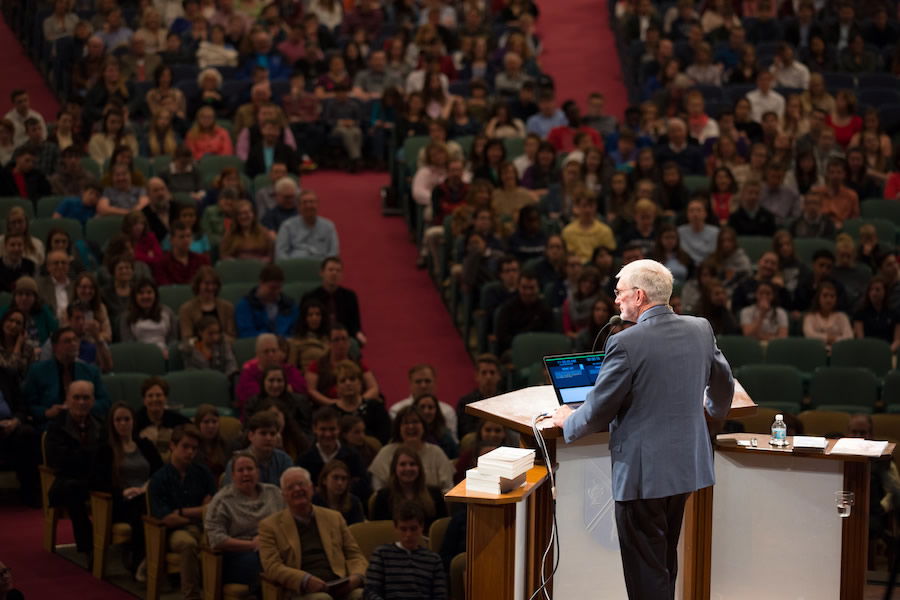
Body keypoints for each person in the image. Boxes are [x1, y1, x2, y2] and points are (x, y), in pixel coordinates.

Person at [552, 259, 733, 600]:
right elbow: (723, 382)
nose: (615, 300)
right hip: (685, 467)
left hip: (643, 474)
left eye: (619, 293)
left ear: (638, 296)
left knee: (645, 572)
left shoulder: (625, 344)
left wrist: (567, 420)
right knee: (663, 560)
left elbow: (598, 412)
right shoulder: (700, 328)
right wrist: (712, 411)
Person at [258, 467, 368, 599]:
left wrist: (356, 576)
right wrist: (305, 580)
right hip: (300, 590)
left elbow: (355, 555)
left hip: (339, 584)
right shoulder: (269, 526)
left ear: (311, 489)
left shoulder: (334, 517)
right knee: (322, 598)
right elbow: (272, 567)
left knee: (362, 595)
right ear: (283, 495)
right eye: (291, 487)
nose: (297, 489)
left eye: (301, 484)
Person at [93, 402, 163, 578]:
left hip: (146, 495)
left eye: (127, 419)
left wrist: (148, 485)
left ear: (133, 421)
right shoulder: (106, 450)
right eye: (118, 420)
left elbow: (161, 473)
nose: (123, 423)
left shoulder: (145, 445)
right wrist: (123, 492)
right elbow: (97, 483)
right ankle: (141, 562)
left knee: (152, 505)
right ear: (112, 423)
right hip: (120, 502)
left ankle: (154, 561)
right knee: (144, 508)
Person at [147, 425, 217, 600]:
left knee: (216, 541)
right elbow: (167, 519)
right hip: (174, 532)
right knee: (188, 543)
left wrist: (181, 512)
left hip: (204, 527)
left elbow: (212, 508)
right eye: (185, 447)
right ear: (172, 446)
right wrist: (197, 514)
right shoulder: (159, 478)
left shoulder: (202, 472)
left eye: (194, 448)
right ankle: (191, 596)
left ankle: (216, 592)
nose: (190, 452)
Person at [204, 451, 284, 591]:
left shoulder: (274, 493)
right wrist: (251, 544)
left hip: (274, 548)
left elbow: (288, 520)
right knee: (264, 566)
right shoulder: (222, 500)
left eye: (250, 469)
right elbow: (216, 539)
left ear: (257, 472)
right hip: (239, 555)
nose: (246, 473)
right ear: (233, 475)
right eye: (241, 470)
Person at [45, 380, 102, 564]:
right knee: (74, 489)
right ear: (68, 400)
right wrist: (89, 456)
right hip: (66, 482)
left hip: (94, 477)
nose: (81, 402)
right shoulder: (57, 425)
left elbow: (106, 455)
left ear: (93, 400)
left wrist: (83, 457)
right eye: (76, 397)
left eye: (86, 398)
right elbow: (59, 460)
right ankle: (88, 546)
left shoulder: (100, 423)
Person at [23, 327, 109, 428]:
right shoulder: (38, 371)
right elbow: (27, 405)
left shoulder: (90, 371)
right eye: (67, 341)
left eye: (75, 340)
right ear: (55, 347)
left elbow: (105, 402)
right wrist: (47, 412)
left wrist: (84, 406)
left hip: (86, 424)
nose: (73, 344)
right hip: (51, 426)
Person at [369, 406, 454, 493]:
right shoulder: (385, 453)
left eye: (415, 422)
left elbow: (448, 488)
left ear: (423, 426)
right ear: (398, 428)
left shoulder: (436, 453)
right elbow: (378, 491)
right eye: (405, 423)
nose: (410, 426)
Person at [297, 407, 370, 501]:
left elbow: (364, 487)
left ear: (339, 429)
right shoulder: (304, 459)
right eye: (323, 429)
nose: (328, 434)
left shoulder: (353, 456)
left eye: (332, 429)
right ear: (314, 429)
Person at [301, 257, 366, 345]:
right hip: (317, 338)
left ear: (342, 275)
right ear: (322, 273)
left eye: (338, 270)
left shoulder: (350, 296)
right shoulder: (310, 297)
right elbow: (302, 324)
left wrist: (358, 334)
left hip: (342, 338)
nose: (334, 273)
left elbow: (355, 325)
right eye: (330, 270)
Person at [235, 334, 307, 412]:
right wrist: (285, 390)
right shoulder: (248, 373)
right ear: (257, 354)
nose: (271, 355)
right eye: (266, 351)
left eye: (274, 351)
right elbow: (251, 399)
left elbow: (302, 389)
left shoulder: (289, 369)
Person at [223, 412, 294, 486]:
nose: (268, 438)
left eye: (272, 434)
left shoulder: (284, 460)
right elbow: (230, 494)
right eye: (263, 433)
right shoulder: (237, 463)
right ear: (251, 436)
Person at [494, 271, 554, 356]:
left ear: (538, 288)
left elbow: (550, 337)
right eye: (524, 288)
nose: (528, 292)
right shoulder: (507, 309)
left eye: (532, 288)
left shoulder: (546, 310)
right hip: (513, 351)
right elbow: (502, 338)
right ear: (518, 287)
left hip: (539, 352)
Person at [332, 360, 390, 445]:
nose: (348, 383)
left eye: (352, 379)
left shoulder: (376, 407)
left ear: (360, 383)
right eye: (343, 380)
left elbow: (385, 438)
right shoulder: (331, 412)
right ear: (336, 387)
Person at [236, 264, 299, 338]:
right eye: (272, 288)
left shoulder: (290, 305)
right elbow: (246, 334)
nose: (277, 292)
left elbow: (296, 331)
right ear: (261, 283)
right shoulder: (245, 305)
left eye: (279, 288)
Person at [276, 189, 340, 260]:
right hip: (296, 266)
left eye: (312, 202)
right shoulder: (287, 226)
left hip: (321, 267)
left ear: (317, 204)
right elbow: (280, 253)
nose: (308, 205)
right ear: (298, 207)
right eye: (304, 202)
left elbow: (334, 252)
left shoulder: (328, 226)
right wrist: (290, 267)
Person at [135, 376, 190, 457]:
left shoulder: (178, 420)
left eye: (158, 395)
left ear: (166, 398)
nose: (154, 399)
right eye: (150, 396)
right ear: (144, 400)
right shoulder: (134, 421)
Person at [119, 279, 177, 355]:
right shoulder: (126, 316)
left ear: (155, 294)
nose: (145, 296)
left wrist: (169, 351)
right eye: (141, 293)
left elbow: (173, 339)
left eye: (149, 292)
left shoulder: (167, 312)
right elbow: (128, 342)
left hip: (165, 354)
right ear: (135, 296)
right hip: (138, 355)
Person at [178, 266, 236, 341]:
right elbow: (187, 338)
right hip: (197, 349)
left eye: (214, 284)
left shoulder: (228, 307)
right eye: (207, 283)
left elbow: (232, 336)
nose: (211, 287)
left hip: (223, 347)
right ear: (198, 285)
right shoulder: (186, 309)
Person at [802, 281, 853, 352]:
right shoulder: (810, 317)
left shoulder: (842, 317)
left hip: (839, 352)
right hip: (816, 352)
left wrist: (831, 339)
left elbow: (849, 337)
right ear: (818, 297)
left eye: (832, 296)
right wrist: (828, 338)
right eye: (825, 295)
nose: (829, 300)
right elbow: (809, 335)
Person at [312, 459, 366, 525]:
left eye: (344, 479)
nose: (340, 483)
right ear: (324, 480)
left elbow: (357, 530)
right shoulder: (314, 501)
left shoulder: (354, 502)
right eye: (335, 477)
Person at [193, 405, 228, 480]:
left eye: (214, 422)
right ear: (198, 424)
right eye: (206, 422)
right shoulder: (192, 447)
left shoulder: (225, 445)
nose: (211, 426)